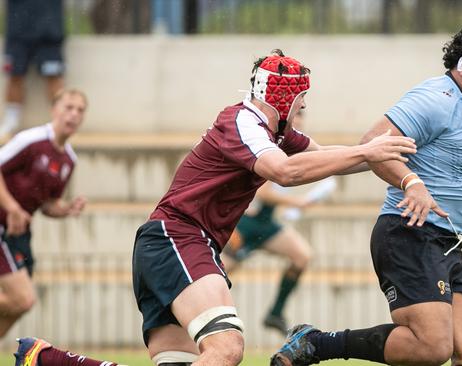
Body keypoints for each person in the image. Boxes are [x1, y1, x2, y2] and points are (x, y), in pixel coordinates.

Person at [12, 50, 416, 366]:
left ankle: (46, 359)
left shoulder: (274, 132)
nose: (303, 111)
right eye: (301, 101)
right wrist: (368, 149)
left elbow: (329, 157)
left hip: (174, 245)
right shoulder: (242, 121)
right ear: (284, 96)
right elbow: (285, 172)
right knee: (227, 346)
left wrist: (394, 160)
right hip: (178, 237)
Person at [271, 24, 462, 366]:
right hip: (408, 230)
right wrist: (411, 183)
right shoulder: (436, 99)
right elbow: (372, 144)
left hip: (446, 241)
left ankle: (315, 342)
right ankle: (316, 343)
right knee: (431, 347)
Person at [0, 89, 87, 339]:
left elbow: (47, 204)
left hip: (19, 232)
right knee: (23, 299)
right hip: (3, 224)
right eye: (68, 107)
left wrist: (66, 210)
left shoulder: (69, 160)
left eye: (80, 110)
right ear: (54, 110)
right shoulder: (31, 140)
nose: (74, 114)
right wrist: (12, 207)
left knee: (18, 306)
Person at [222, 173, 336, 334]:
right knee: (219, 273)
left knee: (302, 256)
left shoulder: (285, 156)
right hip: (245, 224)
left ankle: (275, 313)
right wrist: (297, 202)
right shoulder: (270, 155)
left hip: (265, 222)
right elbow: (263, 193)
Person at [1, 0, 66, 138]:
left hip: (50, 34)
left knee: (54, 77)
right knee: (14, 76)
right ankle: (11, 121)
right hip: (17, 34)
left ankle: (61, 121)